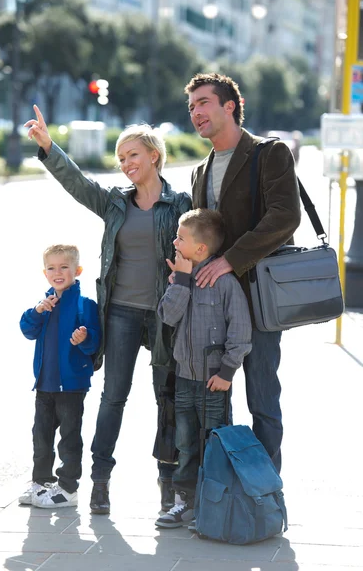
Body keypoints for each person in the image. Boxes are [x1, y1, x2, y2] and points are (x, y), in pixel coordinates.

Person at [24, 105, 192, 515]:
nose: (126, 164)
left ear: (154, 155)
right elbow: (78, 184)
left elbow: (200, 245)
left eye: (133, 154)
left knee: (165, 399)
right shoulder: (116, 203)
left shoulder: (181, 203)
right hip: (118, 313)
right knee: (113, 397)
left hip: (164, 314)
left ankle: (168, 485)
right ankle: (100, 482)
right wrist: (49, 147)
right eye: (121, 158)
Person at [184, 73, 301, 473]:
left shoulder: (270, 153)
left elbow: (285, 217)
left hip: (260, 297)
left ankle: (264, 494)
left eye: (203, 103)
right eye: (192, 107)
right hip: (214, 305)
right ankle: (222, 491)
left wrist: (230, 260)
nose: (196, 113)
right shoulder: (200, 171)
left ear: (229, 106)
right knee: (216, 400)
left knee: (263, 398)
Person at [154, 208, 252, 528]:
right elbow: (167, 316)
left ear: (200, 248)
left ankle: (215, 505)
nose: (174, 241)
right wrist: (180, 281)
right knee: (185, 442)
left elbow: (240, 331)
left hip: (214, 382)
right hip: (184, 378)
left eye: (181, 238)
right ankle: (185, 501)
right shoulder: (180, 278)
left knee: (214, 442)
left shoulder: (224, 284)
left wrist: (227, 373)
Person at [19, 244, 100, 508]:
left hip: (72, 386)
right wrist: (37, 312)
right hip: (44, 384)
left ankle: (67, 489)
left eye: (64, 267)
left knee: (69, 438)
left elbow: (94, 346)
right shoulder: (44, 305)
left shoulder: (84, 305)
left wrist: (83, 339)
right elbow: (28, 330)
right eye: (52, 268)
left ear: (77, 270)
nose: (58, 272)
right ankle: (40, 483)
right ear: (45, 273)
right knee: (41, 436)